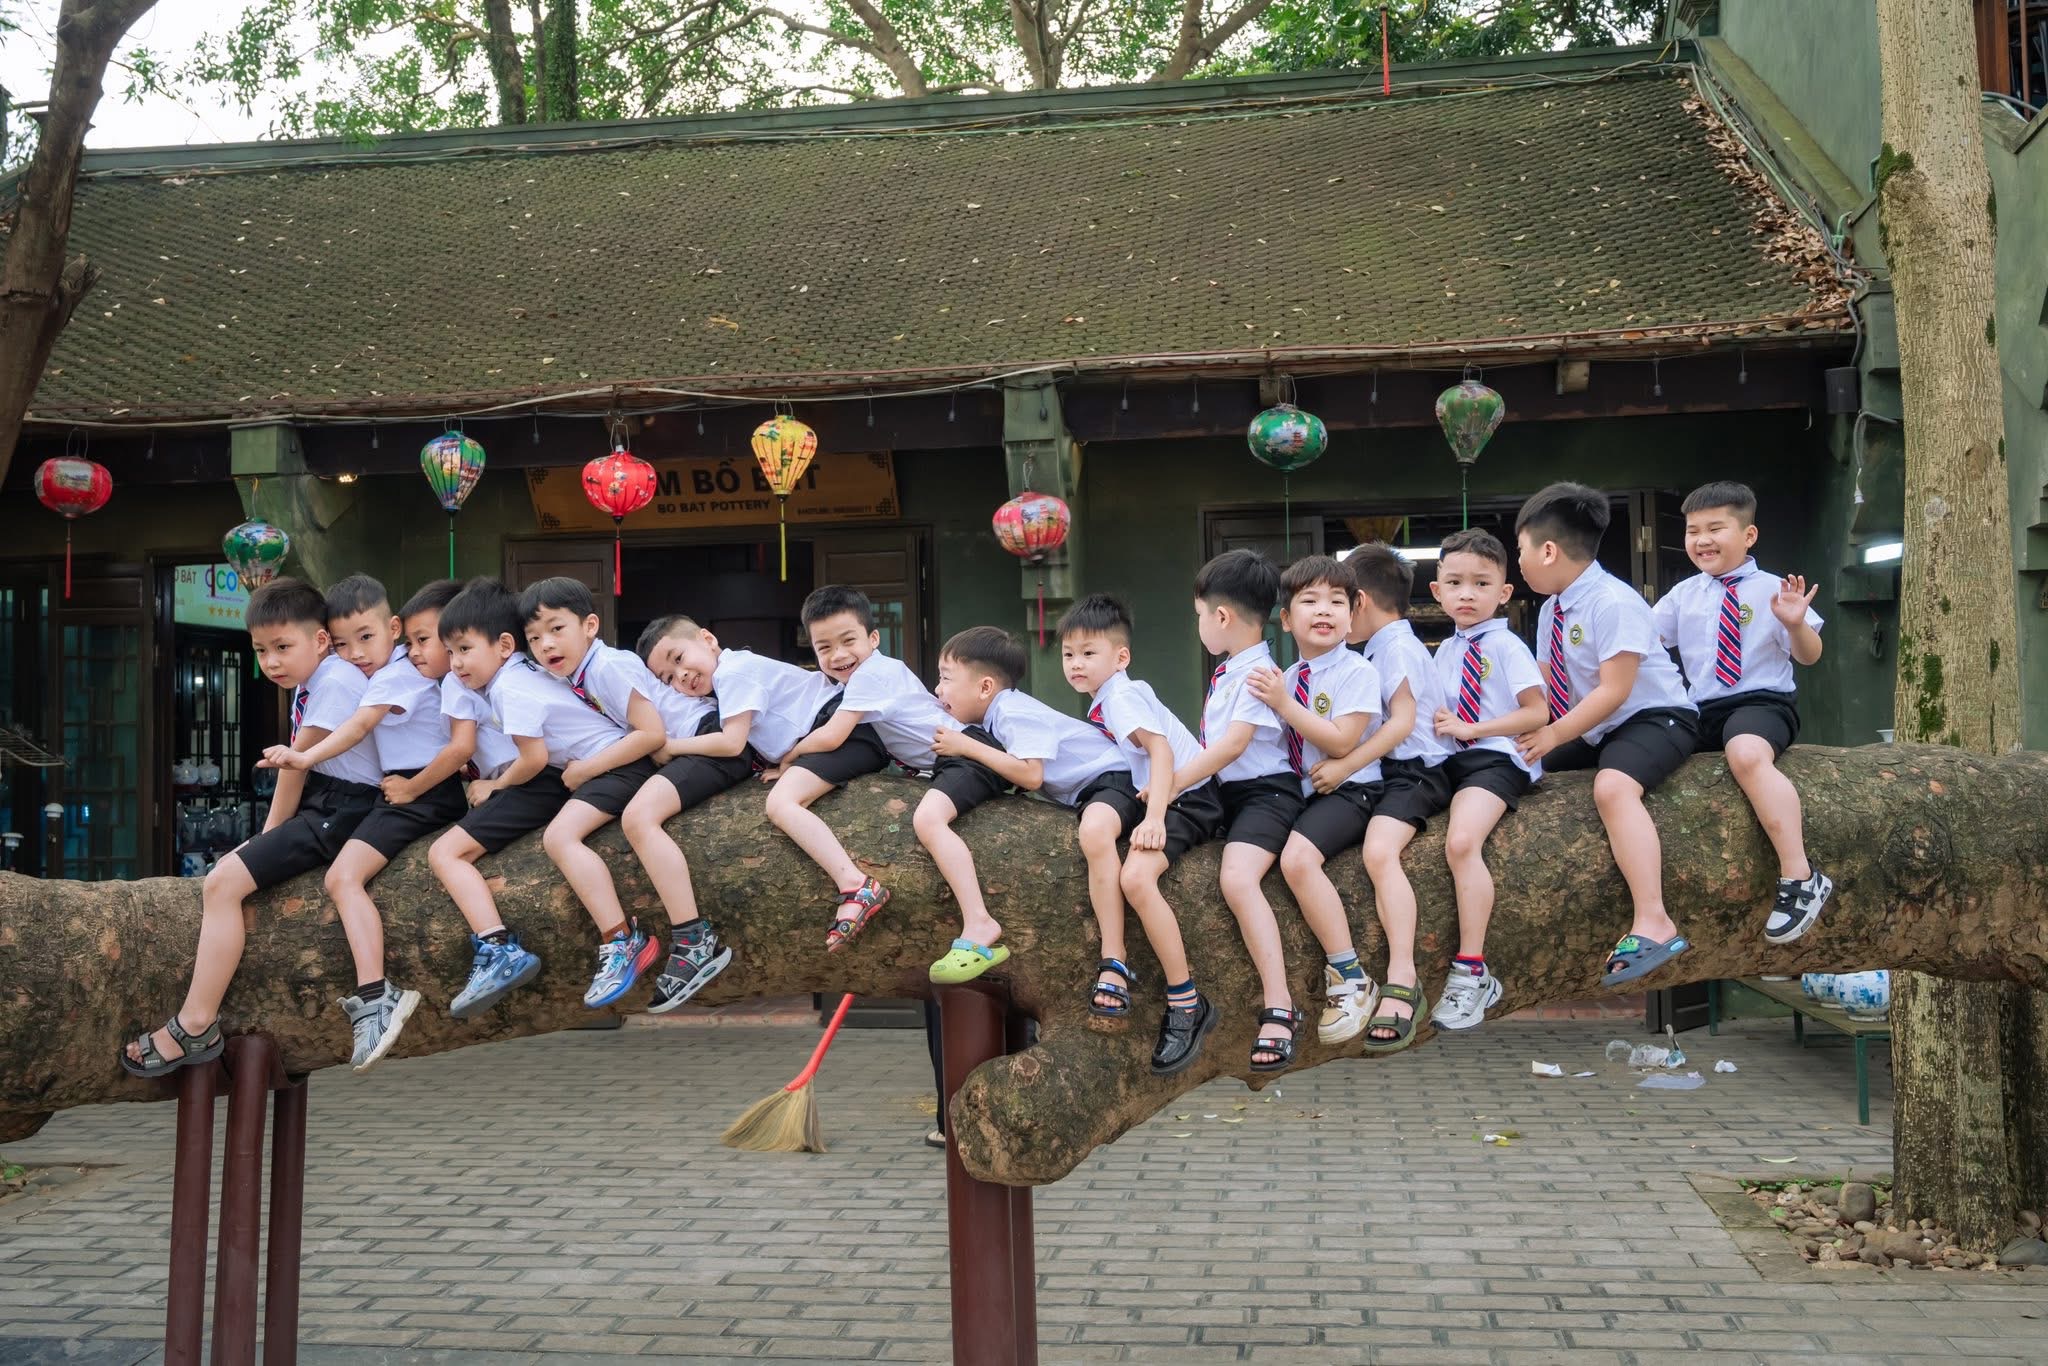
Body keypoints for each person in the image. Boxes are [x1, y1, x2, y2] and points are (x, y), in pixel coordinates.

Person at [121, 577, 381, 1077]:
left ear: (320, 640)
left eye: (282, 647)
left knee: (222, 883)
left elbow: (296, 766)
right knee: (226, 874)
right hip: (329, 802)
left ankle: (196, 1023)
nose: (271, 662)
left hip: (344, 807)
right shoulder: (317, 679)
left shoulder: (335, 681)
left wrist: (268, 835)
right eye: (261, 650)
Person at [259, 575, 475, 1070]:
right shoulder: (390, 673)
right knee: (341, 875)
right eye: (342, 644)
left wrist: (302, 757)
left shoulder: (395, 673)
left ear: (392, 628)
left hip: (419, 794)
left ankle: (377, 995)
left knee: (343, 877)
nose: (355, 653)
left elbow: (358, 727)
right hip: (406, 792)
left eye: (365, 637)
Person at [1513, 483, 1700, 986]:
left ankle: (1655, 920)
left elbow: (1616, 690)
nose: (1519, 562)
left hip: (1656, 718)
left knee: (1613, 787)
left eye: (1520, 549)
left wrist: (1554, 735)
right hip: (1595, 727)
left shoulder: (1613, 601)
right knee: (1512, 766)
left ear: (1547, 550)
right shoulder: (1552, 609)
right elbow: (1545, 688)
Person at [424, 579, 624, 1017]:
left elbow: (534, 759)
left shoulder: (509, 687)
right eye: (451, 652)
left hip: (558, 777)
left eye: (464, 649)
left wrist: (495, 786)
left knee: (445, 853)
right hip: (572, 774)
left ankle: (498, 948)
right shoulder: (523, 674)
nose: (455, 664)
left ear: (504, 645)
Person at [629, 615, 834, 1010]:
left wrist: (669, 746)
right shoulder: (725, 681)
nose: (680, 676)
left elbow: (731, 743)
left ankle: (693, 941)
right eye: (668, 677)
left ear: (707, 639)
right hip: (815, 738)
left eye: (678, 658)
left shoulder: (734, 671)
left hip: (833, 722)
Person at [1657, 481, 1830, 943]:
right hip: (1700, 709)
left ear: (1748, 535)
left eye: (1716, 528)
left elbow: (1810, 655)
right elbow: (1646, 645)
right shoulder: (1682, 595)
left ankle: (1801, 876)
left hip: (1761, 702)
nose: (1702, 540)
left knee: (1747, 754)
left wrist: (1795, 624)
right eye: (1693, 531)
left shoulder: (1773, 588)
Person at [1060, 594, 1226, 1076]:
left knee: (1136, 879)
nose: (1076, 663)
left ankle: (1186, 1002)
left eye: (1089, 653)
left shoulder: (1121, 697)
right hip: (1169, 794)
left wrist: (1154, 818)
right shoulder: (1115, 695)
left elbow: (1161, 752)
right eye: (1069, 654)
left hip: (1190, 798)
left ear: (1121, 657)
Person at [917, 625, 1124, 984]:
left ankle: (1114, 955)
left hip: (1114, 780)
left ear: (985, 687)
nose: (938, 689)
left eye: (946, 678)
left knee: (1095, 837)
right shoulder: (999, 714)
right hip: (1091, 789)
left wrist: (965, 746)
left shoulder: (1012, 710)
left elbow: (1031, 774)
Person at [1165, 550, 1305, 1072]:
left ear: (1220, 615)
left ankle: (1280, 1007)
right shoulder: (1230, 672)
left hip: (1267, 795)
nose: (1199, 625)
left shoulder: (1258, 673)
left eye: (1199, 615)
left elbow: (1232, 746)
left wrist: (1173, 783)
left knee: (1239, 879)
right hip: (1229, 797)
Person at [1239, 557, 1379, 1049]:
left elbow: (1341, 741)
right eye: (1310, 601)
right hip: (1303, 794)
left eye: (1337, 602)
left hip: (1353, 790)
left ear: (1353, 614)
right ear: (1286, 618)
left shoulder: (1357, 671)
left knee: (1298, 860)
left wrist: (1283, 703)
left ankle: (1351, 975)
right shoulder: (1288, 675)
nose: (1324, 610)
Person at [764, 585, 951, 953]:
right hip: (941, 764)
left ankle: (855, 885)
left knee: (780, 803)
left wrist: (789, 757)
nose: (838, 655)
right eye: (824, 647)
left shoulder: (871, 675)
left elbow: (833, 736)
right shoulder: (871, 674)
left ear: (873, 638)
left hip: (956, 760)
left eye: (848, 640)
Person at [516, 578, 673, 1008]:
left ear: (589, 625)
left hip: (641, 761)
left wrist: (586, 769)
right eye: (534, 638)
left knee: (559, 837)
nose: (546, 644)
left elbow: (651, 734)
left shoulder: (608, 666)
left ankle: (621, 941)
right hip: (626, 762)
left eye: (556, 629)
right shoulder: (576, 673)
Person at [1423, 529, 1549, 1031]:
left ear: (1503, 592)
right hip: (1453, 763)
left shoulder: (1506, 645)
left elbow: (1537, 712)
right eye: (1455, 583)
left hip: (1495, 760)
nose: (1467, 594)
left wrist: (1472, 728)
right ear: (1437, 592)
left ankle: (1472, 971)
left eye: (1481, 583)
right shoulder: (1443, 653)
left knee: (1460, 843)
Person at [1345, 545, 1454, 1052]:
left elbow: (1403, 724)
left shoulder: (1397, 649)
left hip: (1417, 773)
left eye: (1339, 602)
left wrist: (1345, 765)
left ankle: (1404, 977)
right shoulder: (1379, 648)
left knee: (1379, 852)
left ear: (1360, 601)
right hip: (1389, 772)